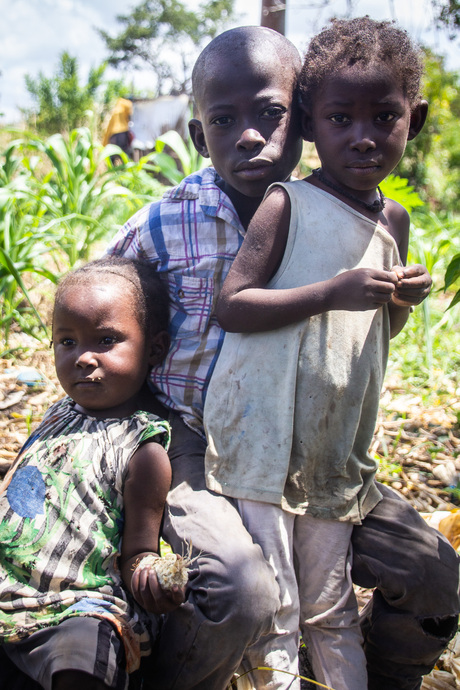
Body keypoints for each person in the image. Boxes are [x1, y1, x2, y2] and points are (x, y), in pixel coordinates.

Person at [106, 24, 459, 690]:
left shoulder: (349, 214)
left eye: (269, 114)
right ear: (196, 135)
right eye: (223, 119)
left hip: (312, 449)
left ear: (298, 119)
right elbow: (96, 339)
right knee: (245, 591)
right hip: (195, 446)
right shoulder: (157, 227)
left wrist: (397, 299)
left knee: (433, 574)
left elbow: (360, 345)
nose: (248, 134)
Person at [0, 257, 185, 690]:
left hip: (80, 602)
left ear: (153, 348)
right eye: (67, 341)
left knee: (86, 644)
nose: (83, 358)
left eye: (105, 340)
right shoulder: (55, 416)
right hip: (7, 588)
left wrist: (151, 576)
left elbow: (138, 549)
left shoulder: (143, 448)